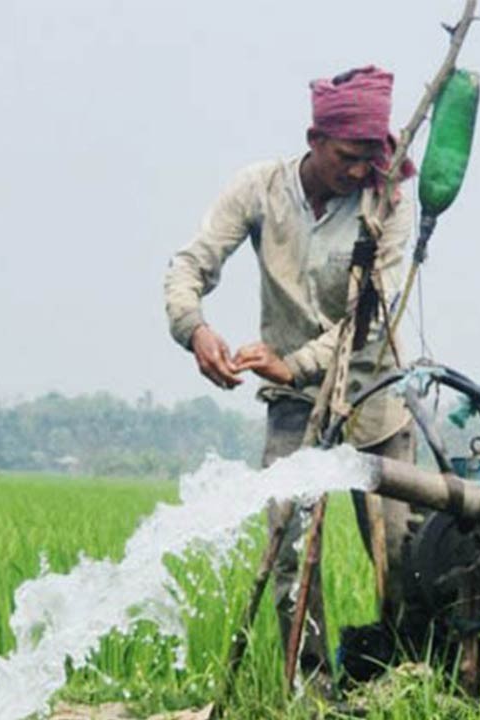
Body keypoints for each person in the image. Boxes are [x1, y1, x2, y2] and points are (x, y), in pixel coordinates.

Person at [163, 66, 420, 684]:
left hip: (374, 400)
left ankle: (406, 679)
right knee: (288, 552)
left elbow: (370, 314)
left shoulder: (386, 203)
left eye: (368, 158)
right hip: (293, 405)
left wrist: (296, 362)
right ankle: (312, 689)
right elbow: (190, 265)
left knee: (400, 557)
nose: (358, 171)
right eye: (346, 157)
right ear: (314, 140)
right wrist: (195, 329)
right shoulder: (259, 190)